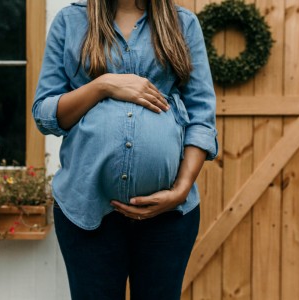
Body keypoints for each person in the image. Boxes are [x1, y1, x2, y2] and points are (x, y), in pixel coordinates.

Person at [33, 0, 217, 299]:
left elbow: (202, 116)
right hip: (86, 210)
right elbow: (45, 114)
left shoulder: (183, 23)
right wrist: (103, 85)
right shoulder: (70, 21)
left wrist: (181, 190)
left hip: (168, 216)